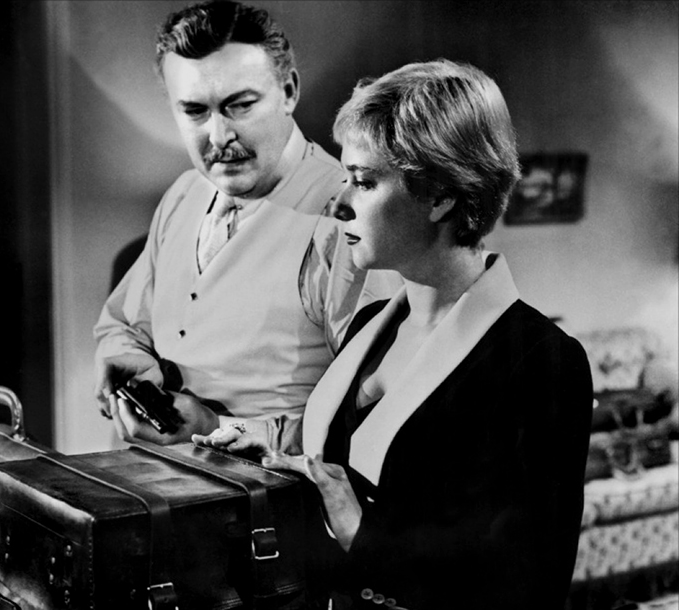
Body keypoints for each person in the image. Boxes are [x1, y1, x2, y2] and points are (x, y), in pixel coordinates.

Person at [195, 59, 593, 610]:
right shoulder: (370, 324)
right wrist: (278, 462)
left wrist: (367, 539)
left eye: (364, 181)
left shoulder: (540, 361)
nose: (339, 204)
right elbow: (348, 476)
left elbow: (529, 587)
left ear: (440, 195)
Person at [94, 0, 400, 451]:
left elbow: (374, 416)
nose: (219, 137)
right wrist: (128, 362)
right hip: (158, 481)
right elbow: (123, 323)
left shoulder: (345, 218)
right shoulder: (184, 194)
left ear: (289, 91)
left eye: (239, 105)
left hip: (275, 492)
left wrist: (216, 424)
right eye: (195, 111)